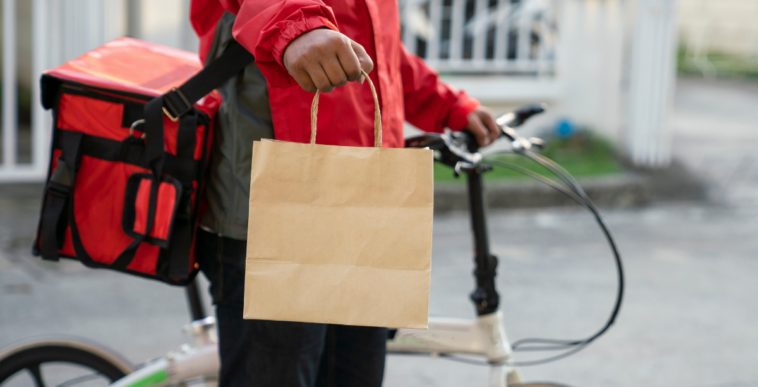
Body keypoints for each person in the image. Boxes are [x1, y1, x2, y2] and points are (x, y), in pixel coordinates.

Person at [190, 1, 501, 386]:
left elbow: (375, 49)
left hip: (361, 204)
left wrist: (448, 105)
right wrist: (298, 28)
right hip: (277, 203)